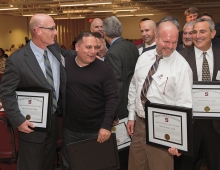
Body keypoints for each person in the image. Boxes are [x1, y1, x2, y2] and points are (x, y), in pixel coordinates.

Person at [0, 14, 75, 170]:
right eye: (52, 28)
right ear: (37, 30)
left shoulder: (55, 49)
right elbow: (6, 92)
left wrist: (91, 50)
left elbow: (70, 55)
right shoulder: (18, 60)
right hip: (31, 126)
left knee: (48, 165)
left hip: (53, 122)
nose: (55, 32)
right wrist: (18, 120)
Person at [127, 16, 193, 170]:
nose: (170, 46)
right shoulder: (143, 58)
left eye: (174, 42)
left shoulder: (182, 67)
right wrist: (131, 115)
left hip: (164, 129)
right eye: (166, 41)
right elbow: (134, 86)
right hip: (140, 126)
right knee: (135, 166)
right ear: (156, 36)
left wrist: (178, 140)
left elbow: (184, 105)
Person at [61, 31, 118, 170]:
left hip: (97, 131)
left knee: (97, 166)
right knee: (70, 166)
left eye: (96, 47)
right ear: (76, 47)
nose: (93, 52)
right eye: (88, 47)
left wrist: (106, 126)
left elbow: (112, 98)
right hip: (71, 131)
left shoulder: (105, 69)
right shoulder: (64, 65)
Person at [179, 18, 220, 170]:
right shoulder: (181, 58)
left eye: (202, 31)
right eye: (194, 32)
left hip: (215, 125)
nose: (197, 36)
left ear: (213, 33)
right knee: (186, 166)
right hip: (190, 124)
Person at [103, 16, 139, 170]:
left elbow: (116, 84)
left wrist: (112, 113)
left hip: (121, 109)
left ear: (104, 33)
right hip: (133, 104)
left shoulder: (112, 53)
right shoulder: (132, 47)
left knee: (118, 154)